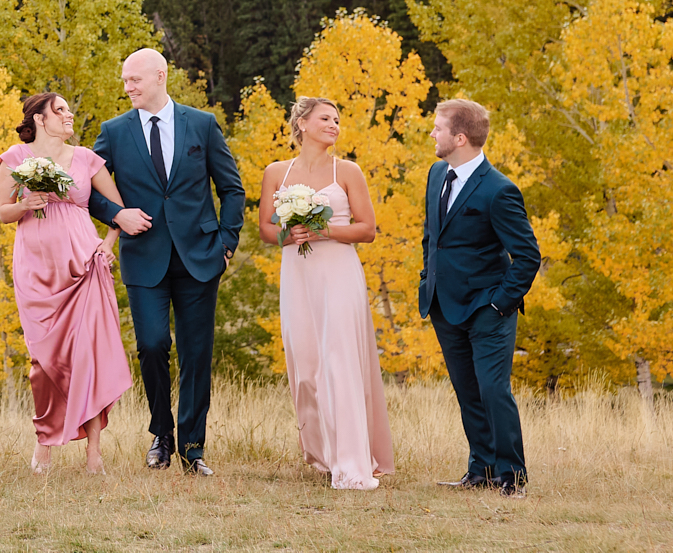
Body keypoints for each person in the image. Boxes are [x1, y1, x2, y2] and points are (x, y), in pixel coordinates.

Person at [87, 47, 244, 475]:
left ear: (160, 75)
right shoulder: (114, 132)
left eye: (134, 79)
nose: (127, 87)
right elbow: (89, 188)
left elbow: (232, 189)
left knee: (197, 353)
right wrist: (117, 214)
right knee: (152, 344)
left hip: (200, 257)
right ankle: (162, 433)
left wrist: (226, 244)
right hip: (144, 259)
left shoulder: (202, 124)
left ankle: (193, 448)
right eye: (124, 80)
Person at [259, 96, 392, 489]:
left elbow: (367, 229)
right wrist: (289, 235)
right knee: (307, 364)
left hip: (338, 273)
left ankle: (351, 463)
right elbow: (266, 229)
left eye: (337, 119)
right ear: (301, 123)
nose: (334, 124)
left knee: (340, 361)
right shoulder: (275, 173)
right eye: (325, 118)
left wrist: (324, 231)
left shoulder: (347, 170)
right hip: (297, 274)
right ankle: (322, 454)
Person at [0, 90, 130, 475]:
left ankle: (94, 453)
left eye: (70, 110)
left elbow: (118, 210)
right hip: (36, 268)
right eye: (61, 111)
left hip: (84, 264)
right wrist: (26, 203)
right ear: (40, 118)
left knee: (89, 356)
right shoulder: (15, 158)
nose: (69, 116)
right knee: (44, 359)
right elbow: (3, 213)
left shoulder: (87, 159)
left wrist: (107, 245)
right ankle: (45, 443)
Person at [420, 97, 541, 496]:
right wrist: (428, 279)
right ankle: (481, 470)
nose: (431, 133)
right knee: (468, 391)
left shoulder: (499, 190)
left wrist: (499, 303)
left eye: (438, 128)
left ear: (459, 137)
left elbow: (527, 256)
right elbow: (432, 238)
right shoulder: (437, 174)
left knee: (493, 390)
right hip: (444, 304)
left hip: (489, 308)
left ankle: (512, 476)